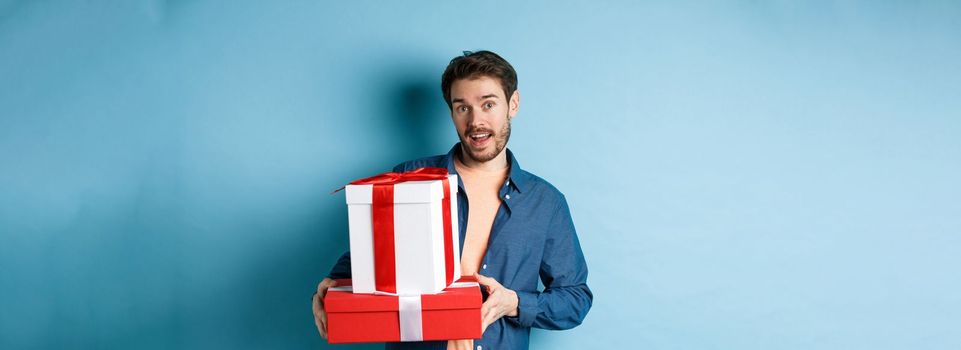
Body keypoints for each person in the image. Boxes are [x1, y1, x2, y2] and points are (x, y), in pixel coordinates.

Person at [312, 50, 592, 350]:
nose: (476, 122)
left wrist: (513, 303)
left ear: (513, 104)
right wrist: (332, 284)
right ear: (452, 113)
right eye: (463, 108)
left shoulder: (545, 203)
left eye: (488, 105)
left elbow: (575, 299)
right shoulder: (408, 178)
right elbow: (371, 256)